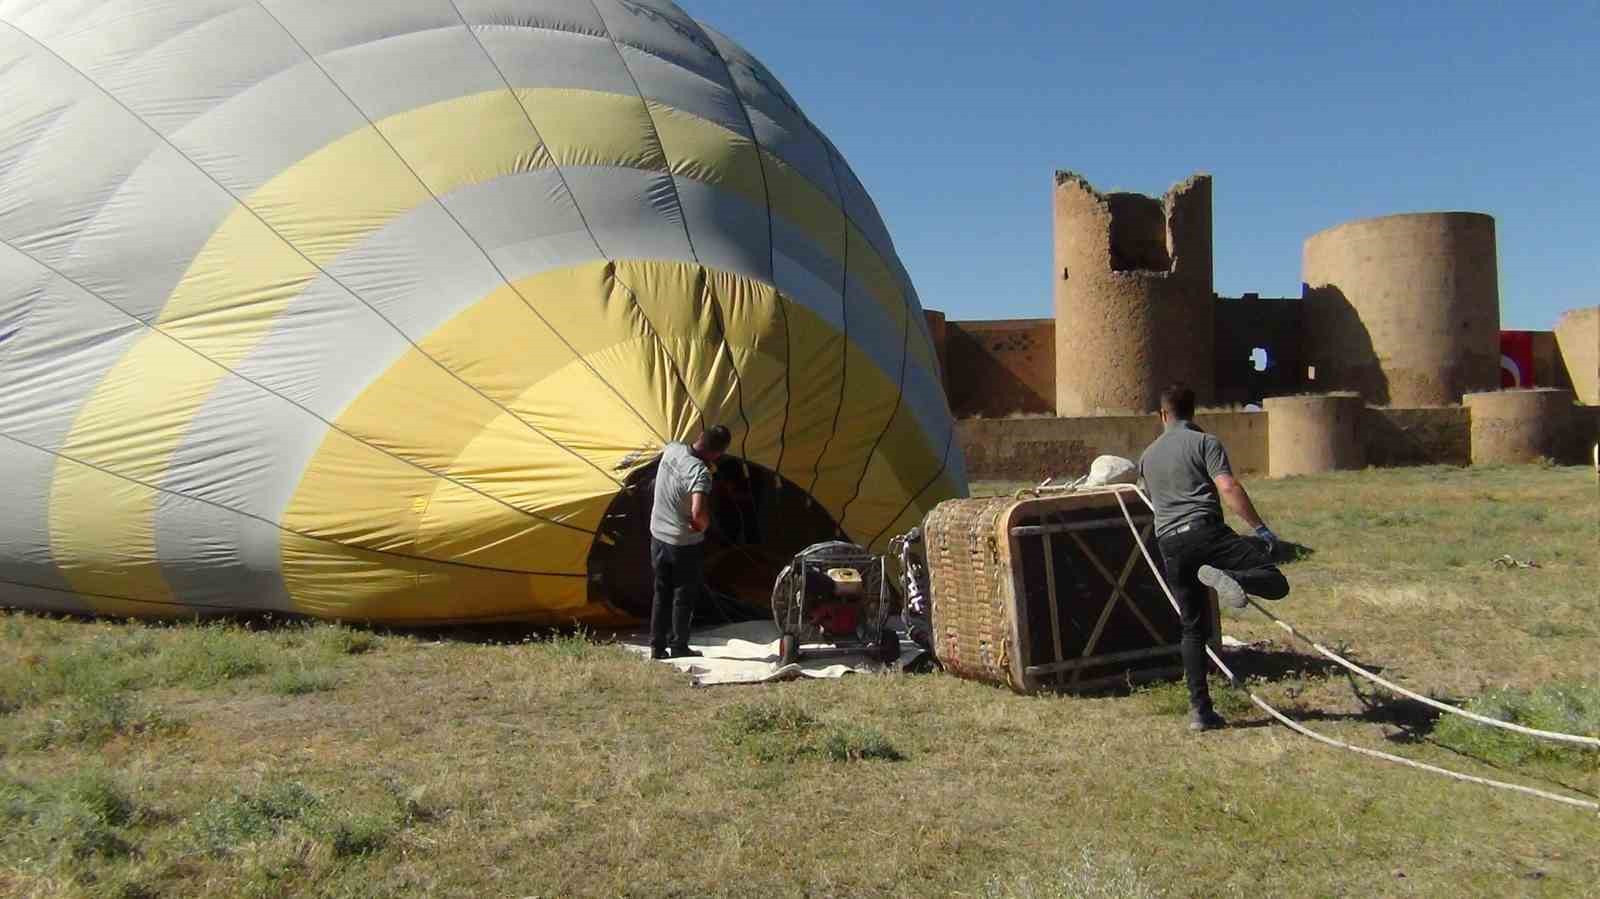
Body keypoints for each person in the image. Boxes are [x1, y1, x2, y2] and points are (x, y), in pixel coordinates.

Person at [1138, 385, 1289, 731]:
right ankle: (1232, 578)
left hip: (1169, 543)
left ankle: (1200, 712)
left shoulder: (1147, 456)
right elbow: (1228, 487)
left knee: (1192, 629)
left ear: (1162, 415)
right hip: (1205, 532)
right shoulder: (1205, 443)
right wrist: (1261, 529)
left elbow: (1150, 500)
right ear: (1193, 412)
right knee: (1275, 581)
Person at [648, 425, 732, 660]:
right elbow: (698, 513)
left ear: (700, 437)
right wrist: (702, 527)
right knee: (682, 596)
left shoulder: (672, 449)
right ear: (718, 453)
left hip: (657, 534)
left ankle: (656, 647)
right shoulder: (700, 473)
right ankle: (679, 646)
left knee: (661, 592)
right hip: (682, 543)